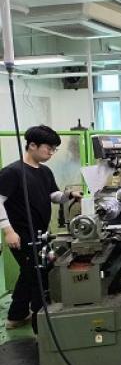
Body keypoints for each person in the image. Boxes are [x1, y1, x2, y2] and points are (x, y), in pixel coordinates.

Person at [0, 125, 82, 332]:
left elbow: (53, 195)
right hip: (21, 234)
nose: (52, 153)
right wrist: (8, 231)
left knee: (29, 271)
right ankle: (41, 328)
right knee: (38, 275)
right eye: (49, 148)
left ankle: (16, 316)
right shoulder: (12, 172)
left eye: (54, 149)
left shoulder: (44, 171)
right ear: (32, 145)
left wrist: (68, 195)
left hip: (40, 232)